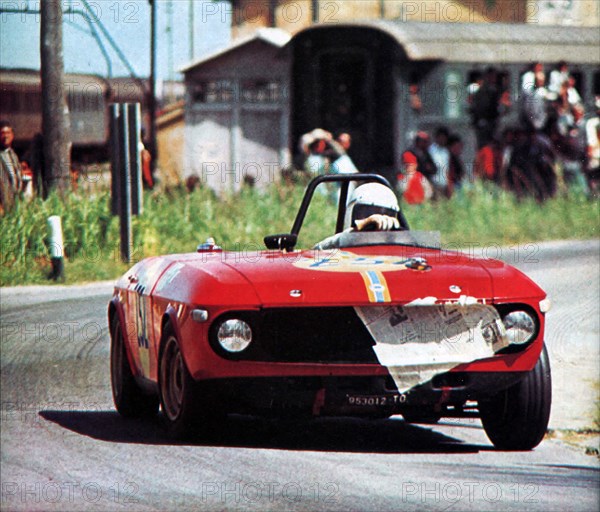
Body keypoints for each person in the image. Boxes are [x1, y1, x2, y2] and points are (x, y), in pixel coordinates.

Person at [314, 182, 400, 250]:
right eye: (367, 212)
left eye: (384, 214)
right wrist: (356, 232)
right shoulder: (339, 243)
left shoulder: (400, 248)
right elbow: (314, 252)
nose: (377, 221)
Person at [0, 120, 24, 213]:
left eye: (8, 133)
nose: (5, 136)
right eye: (2, 133)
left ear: (12, 135)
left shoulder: (13, 155)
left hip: (15, 203)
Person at [428, 126, 451, 196]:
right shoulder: (430, 150)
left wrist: (448, 184)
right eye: (441, 137)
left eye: (444, 138)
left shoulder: (446, 152)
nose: (442, 140)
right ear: (436, 137)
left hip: (444, 184)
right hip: (433, 183)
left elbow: (447, 169)